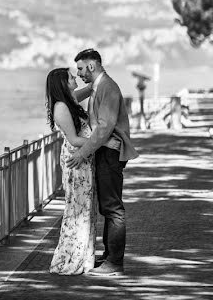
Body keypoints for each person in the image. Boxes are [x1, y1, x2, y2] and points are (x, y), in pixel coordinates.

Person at [66, 48, 139, 277]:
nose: (78, 74)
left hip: (109, 153)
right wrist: (63, 92)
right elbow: (72, 99)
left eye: (80, 68)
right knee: (107, 207)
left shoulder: (107, 87)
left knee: (113, 208)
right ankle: (109, 257)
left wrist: (82, 153)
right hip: (105, 152)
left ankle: (115, 263)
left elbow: (105, 128)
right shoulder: (99, 86)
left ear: (91, 66)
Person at [46, 67, 97, 274]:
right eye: (70, 76)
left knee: (85, 209)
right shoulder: (61, 107)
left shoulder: (69, 100)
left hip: (83, 159)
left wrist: (97, 79)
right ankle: (70, 258)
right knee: (77, 210)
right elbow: (75, 140)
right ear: (62, 84)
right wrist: (102, 142)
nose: (75, 77)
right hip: (77, 161)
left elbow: (91, 88)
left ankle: (83, 256)